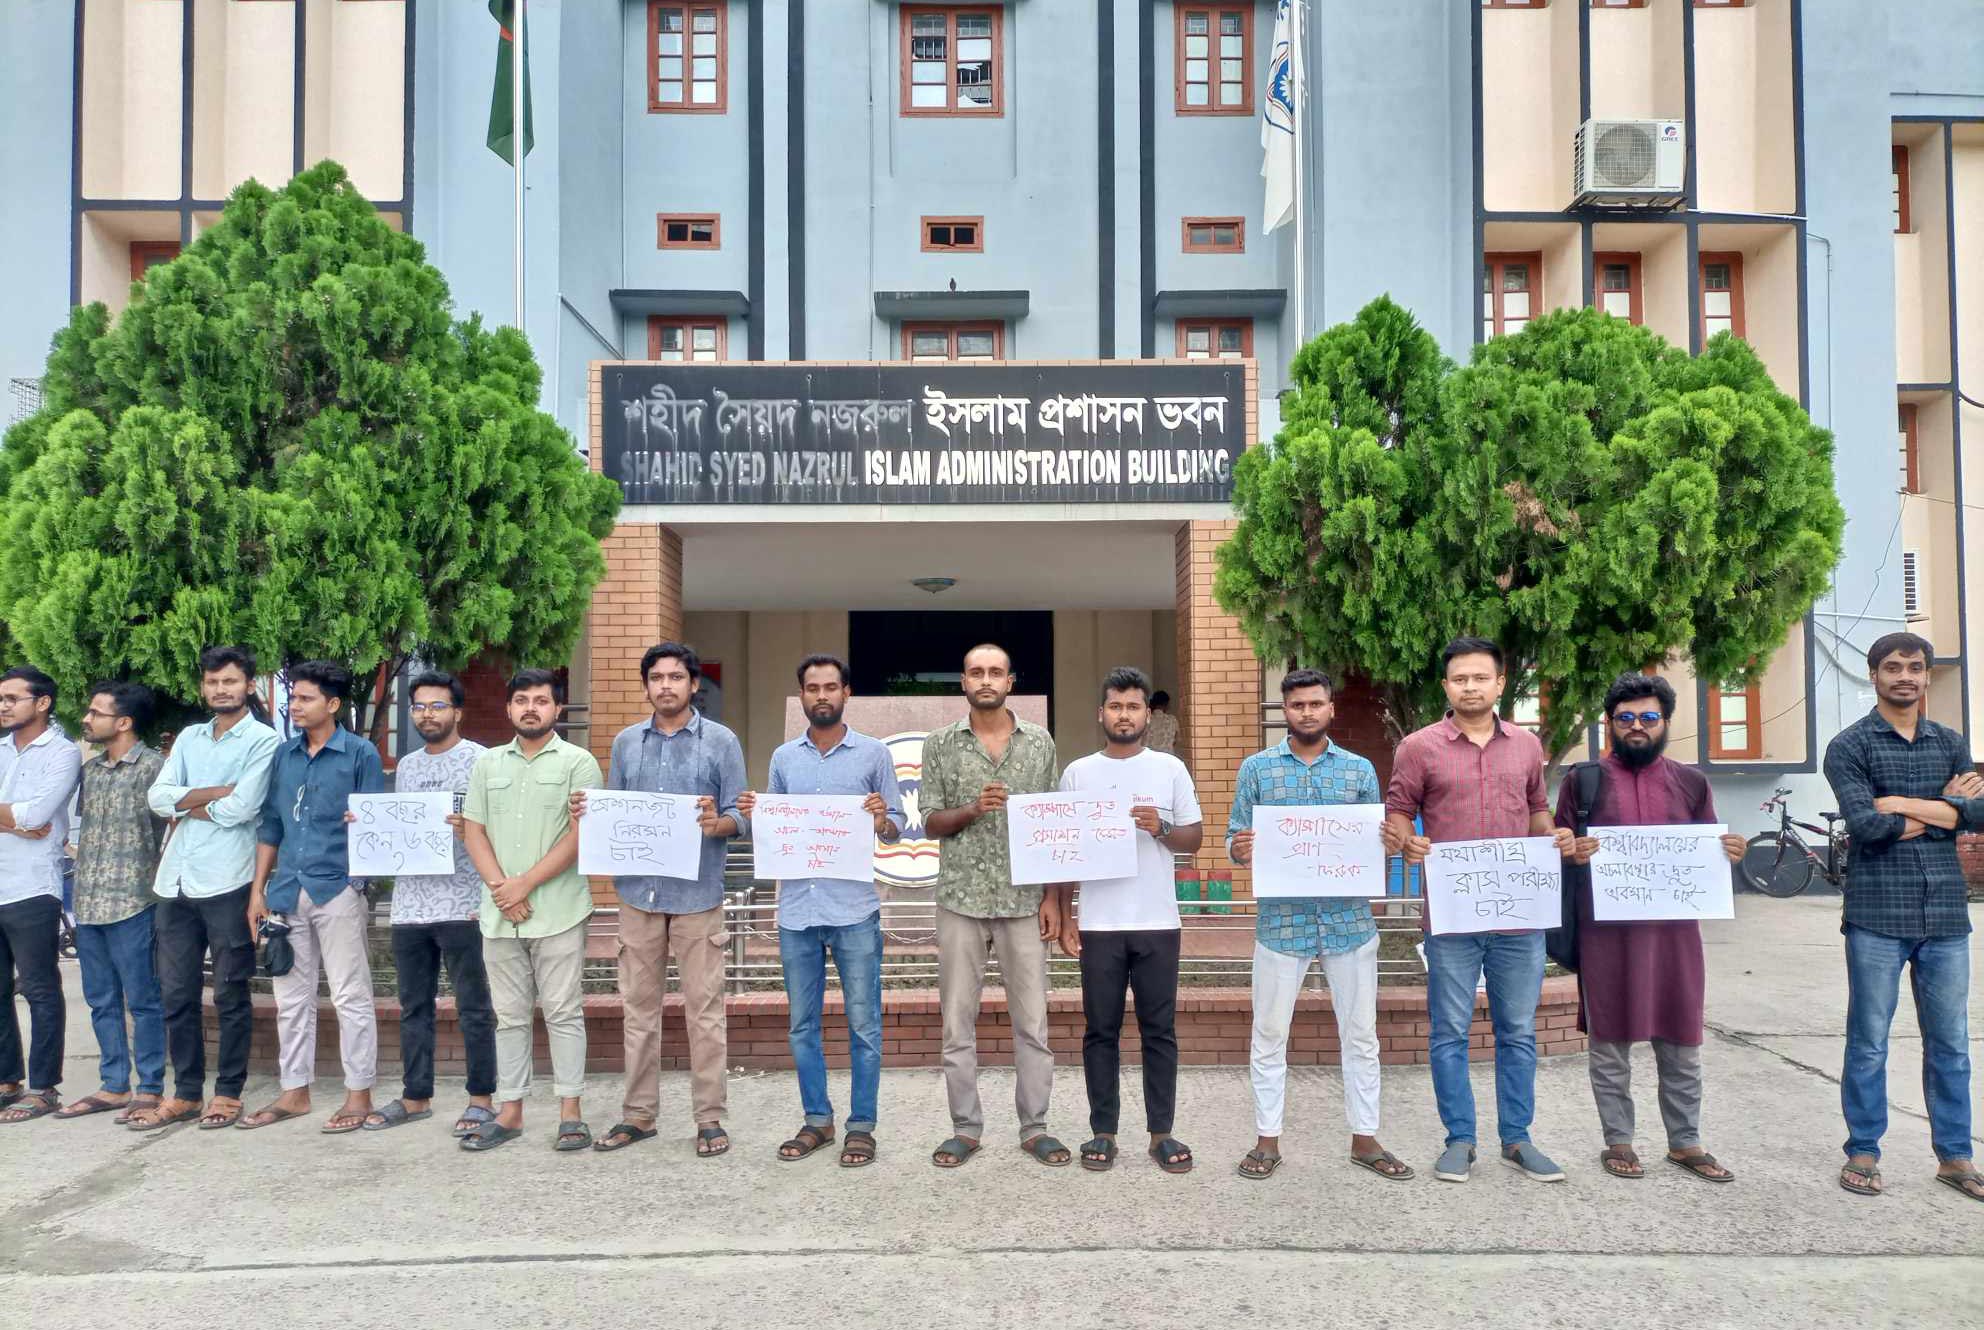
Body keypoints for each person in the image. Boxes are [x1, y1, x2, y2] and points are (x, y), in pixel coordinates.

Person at [1384, 637, 1576, 1184]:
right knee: (1449, 1031)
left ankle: (1517, 1139)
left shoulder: (1526, 746)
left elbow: (1537, 812)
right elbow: (1398, 814)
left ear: (1499, 683)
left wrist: (1556, 837)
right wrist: (1406, 842)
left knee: (1518, 1031)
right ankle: (1460, 1140)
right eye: (1459, 678)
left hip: (1519, 919)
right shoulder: (1419, 748)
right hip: (1453, 919)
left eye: (1480, 678)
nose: (1470, 686)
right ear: (1446, 686)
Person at [1559, 674, 1745, 1183]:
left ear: (1665, 722)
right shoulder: (1584, 780)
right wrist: (1572, 850)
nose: (1637, 727)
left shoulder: (1692, 782)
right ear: (1609, 723)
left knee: (1682, 1040)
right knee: (1610, 1045)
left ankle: (1686, 1143)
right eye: (1625, 718)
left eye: (1647, 718)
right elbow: (1560, 847)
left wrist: (1728, 852)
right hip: (1606, 937)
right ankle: (1618, 1141)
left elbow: (1705, 855)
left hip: (1674, 938)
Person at [1229, 668, 1410, 1182]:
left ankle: (1365, 1138)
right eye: (1297, 705)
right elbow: (1233, 836)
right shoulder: (1257, 770)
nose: (1306, 712)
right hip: (1282, 926)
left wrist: (1387, 842)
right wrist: (1239, 848)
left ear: (1331, 708)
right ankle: (1267, 1140)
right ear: (1284, 711)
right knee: (1268, 1033)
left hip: (1348, 922)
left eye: (1315, 704)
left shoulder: (1357, 772)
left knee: (1360, 1034)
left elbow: (1374, 842)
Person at [1821, 632, 1983, 1202]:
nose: (1906, 677)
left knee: (1952, 1044)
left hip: (1944, 914)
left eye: (1915, 667)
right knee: (1868, 1040)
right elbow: (1865, 827)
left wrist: (1900, 803)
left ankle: (1955, 1157)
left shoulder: (1951, 742)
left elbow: (1979, 814)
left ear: (1927, 675)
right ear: (1874, 675)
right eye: (1893, 667)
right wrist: (1944, 808)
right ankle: (1863, 1150)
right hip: (1876, 915)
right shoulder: (1849, 746)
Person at [579, 642, 744, 1158]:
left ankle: (710, 1118)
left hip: (698, 895)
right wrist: (590, 814)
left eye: (676, 677)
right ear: (646, 685)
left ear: (695, 684)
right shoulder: (629, 743)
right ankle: (638, 1116)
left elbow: (741, 811)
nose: (666, 685)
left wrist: (720, 822)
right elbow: (617, 812)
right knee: (639, 1012)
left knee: (706, 1013)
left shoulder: (721, 742)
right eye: (657, 677)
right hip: (638, 895)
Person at [739, 653, 904, 1168]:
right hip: (796, 912)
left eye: (831, 687)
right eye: (812, 688)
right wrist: (754, 815)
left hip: (854, 909)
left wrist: (882, 818)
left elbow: (898, 824)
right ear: (802, 695)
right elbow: (776, 829)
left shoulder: (874, 754)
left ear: (846, 693)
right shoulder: (784, 758)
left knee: (864, 1025)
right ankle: (817, 1121)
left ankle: (861, 1127)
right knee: (802, 1025)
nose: (822, 696)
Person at [921, 643, 1068, 1168]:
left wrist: (1055, 900)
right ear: (963, 681)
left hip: (1025, 901)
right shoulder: (941, 744)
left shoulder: (1040, 743)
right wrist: (972, 808)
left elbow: (1054, 825)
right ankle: (965, 1128)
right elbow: (930, 820)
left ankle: (1035, 1127)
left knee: (1033, 1024)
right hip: (960, 900)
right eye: (976, 672)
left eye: (996, 672)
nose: (986, 679)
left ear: (1011, 681)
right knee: (957, 1023)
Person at [1052, 666, 1201, 1175]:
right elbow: (1065, 849)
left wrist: (1161, 828)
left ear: (1147, 714)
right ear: (1102, 714)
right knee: (1101, 1030)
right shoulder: (1078, 773)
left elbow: (1195, 838)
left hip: (1158, 920)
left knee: (1159, 1029)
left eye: (1133, 706)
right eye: (1115, 706)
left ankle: (1162, 1131)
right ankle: (1103, 1132)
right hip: (1099, 921)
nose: (1124, 714)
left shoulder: (1169, 769)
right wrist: (1065, 911)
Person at [132, 647, 279, 1131]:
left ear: (249, 687)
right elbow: (157, 799)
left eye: (231, 682)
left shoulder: (263, 741)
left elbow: (244, 809)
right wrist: (216, 792)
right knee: (175, 993)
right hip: (174, 883)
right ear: (204, 687)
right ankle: (187, 1093)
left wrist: (186, 803)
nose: (222, 689)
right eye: (214, 682)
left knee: (231, 992)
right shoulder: (191, 737)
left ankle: (228, 1092)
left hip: (228, 882)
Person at [459, 669, 602, 1153]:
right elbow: (473, 830)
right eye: (521, 700)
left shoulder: (578, 763)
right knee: (510, 1016)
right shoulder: (487, 765)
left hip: (559, 909)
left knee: (564, 1012)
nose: (531, 708)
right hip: (499, 913)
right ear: (508, 709)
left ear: (557, 710)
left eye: (541, 700)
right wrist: (503, 889)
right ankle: (511, 1111)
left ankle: (570, 1113)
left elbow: (581, 837)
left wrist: (525, 884)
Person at [243, 661, 386, 1132]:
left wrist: (358, 870)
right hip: (286, 892)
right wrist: (257, 892)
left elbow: (378, 823)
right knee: (290, 998)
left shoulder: (360, 753)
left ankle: (358, 1094)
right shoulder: (284, 756)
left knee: (351, 995)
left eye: (305, 698)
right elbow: (271, 824)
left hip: (339, 889)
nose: (295, 706)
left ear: (333, 704)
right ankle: (294, 1092)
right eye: (294, 698)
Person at [359, 671, 498, 1138]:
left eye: (437, 706)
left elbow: (499, 829)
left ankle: (481, 1099)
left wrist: (473, 829)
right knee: (413, 1006)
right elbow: (399, 829)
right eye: (418, 707)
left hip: (465, 902)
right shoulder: (408, 766)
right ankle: (416, 1096)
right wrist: (366, 827)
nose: (426, 714)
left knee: (474, 1006)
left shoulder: (483, 762)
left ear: (457, 711)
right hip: (410, 905)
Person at [53, 683, 168, 1123]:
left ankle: (150, 1086)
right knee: (100, 1000)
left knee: (143, 1000)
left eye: (95, 713)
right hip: (89, 899)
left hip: (135, 900)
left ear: (124, 723)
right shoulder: (92, 771)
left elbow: (167, 833)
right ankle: (113, 1085)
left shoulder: (154, 768)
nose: (86, 719)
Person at [0, 667, 83, 1124]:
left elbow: (40, 814)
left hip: (33, 886)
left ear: (43, 702)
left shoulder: (62, 753)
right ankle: (6, 1080)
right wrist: (19, 822)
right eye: (1, 698)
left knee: (40, 989)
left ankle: (44, 1087)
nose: (4, 705)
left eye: (13, 697)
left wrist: (27, 820)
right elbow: (27, 818)